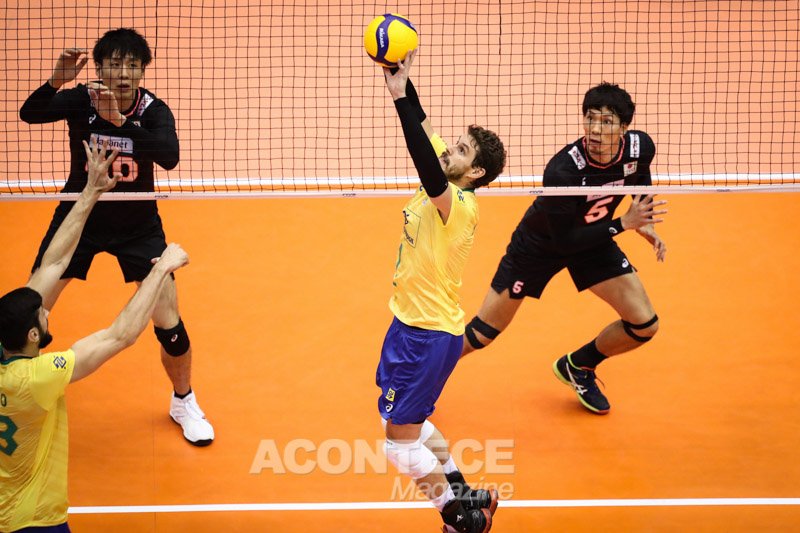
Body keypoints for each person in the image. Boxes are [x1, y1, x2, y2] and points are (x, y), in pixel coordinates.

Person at [19, 28, 213, 445]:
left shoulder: (154, 110)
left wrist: (121, 123)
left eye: (132, 64)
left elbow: (170, 156)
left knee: (169, 322)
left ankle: (184, 400)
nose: (123, 73)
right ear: (101, 66)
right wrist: (57, 79)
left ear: (143, 69)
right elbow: (30, 113)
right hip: (79, 215)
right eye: (114, 63)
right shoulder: (80, 99)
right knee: (27, 312)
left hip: (138, 226)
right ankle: (21, 395)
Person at [0, 139, 190, 532]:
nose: (47, 308)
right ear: (34, 334)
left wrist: (89, 192)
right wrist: (159, 270)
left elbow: (54, 261)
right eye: (43, 313)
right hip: (32, 521)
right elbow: (118, 336)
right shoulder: (38, 379)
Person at [461, 82, 667, 415]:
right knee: (483, 332)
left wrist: (643, 218)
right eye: (590, 119)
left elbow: (639, 176)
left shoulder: (639, 147)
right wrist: (623, 224)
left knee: (644, 325)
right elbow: (564, 242)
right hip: (541, 245)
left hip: (594, 239)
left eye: (607, 121)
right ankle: (420, 375)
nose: (596, 130)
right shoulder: (563, 171)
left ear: (624, 128)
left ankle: (579, 366)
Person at [375, 50, 507, 533]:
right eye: (455, 144)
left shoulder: (460, 205)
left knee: (397, 443)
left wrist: (396, 101)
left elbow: (425, 163)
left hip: (425, 337)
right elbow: (424, 128)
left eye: (462, 151)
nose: (450, 149)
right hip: (414, 327)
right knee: (411, 424)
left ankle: (459, 518)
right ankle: (469, 493)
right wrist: (402, 83)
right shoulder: (451, 174)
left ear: (475, 174)